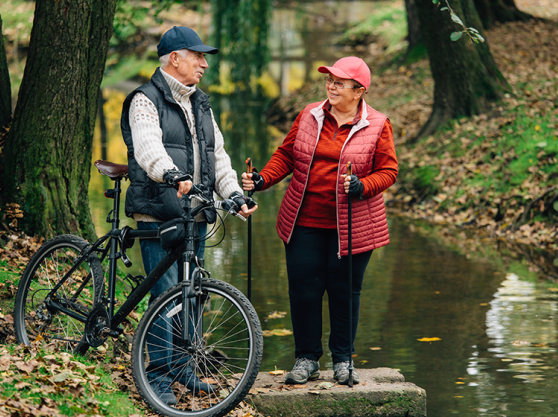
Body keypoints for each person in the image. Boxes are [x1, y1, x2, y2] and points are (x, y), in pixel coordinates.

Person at [121, 26, 257, 405]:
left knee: (192, 293)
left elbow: (218, 158)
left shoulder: (200, 103)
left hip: (194, 213)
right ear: (174, 58)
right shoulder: (144, 99)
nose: (204, 63)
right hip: (159, 212)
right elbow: (148, 147)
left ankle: (184, 368)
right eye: (197, 55)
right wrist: (172, 174)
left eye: (205, 56)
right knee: (165, 295)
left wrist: (233, 195)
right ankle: (159, 378)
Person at [242, 56, 398, 385]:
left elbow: (389, 171)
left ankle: (343, 360)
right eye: (330, 80)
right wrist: (262, 180)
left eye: (340, 83)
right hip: (304, 221)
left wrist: (362, 186)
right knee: (303, 291)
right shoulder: (310, 114)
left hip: (353, 226)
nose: (331, 86)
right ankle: (306, 359)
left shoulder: (378, 125)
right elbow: (286, 154)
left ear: (360, 91)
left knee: (344, 292)